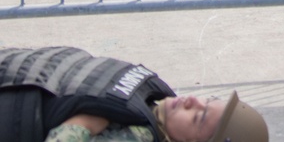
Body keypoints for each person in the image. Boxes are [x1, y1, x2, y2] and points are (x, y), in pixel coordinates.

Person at [0, 46, 268, 142]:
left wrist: (82, 124)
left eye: (198, 118)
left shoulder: (137, 134)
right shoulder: (147, 94)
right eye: (206, 101)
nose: (192, 101)